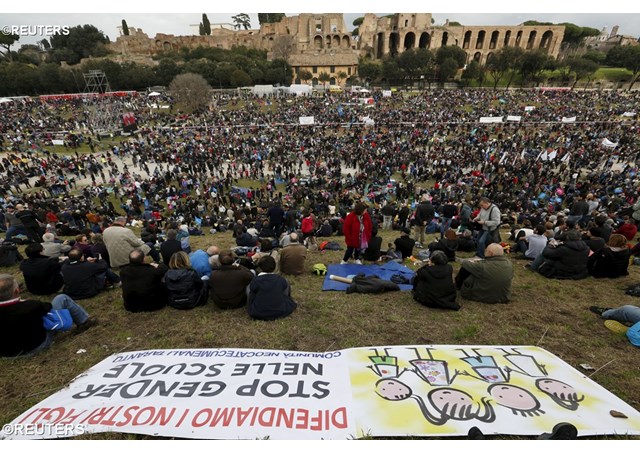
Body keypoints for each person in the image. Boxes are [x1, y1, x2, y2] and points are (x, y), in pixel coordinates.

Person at [0, 273, 97, 358]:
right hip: (36, 346)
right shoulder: (30, 306)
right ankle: (84, 322)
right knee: (61, 298)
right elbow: (47, 306)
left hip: (6, 354)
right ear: (17, 291)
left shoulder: (28, 306)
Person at [247, 256, 298, 321]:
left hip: (258, 312)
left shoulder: (255, 280)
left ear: (260, 267)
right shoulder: (281, 279)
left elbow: (251, 293)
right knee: (286, 283)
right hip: (280, 310)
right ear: (274, 267)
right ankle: (281, 301)